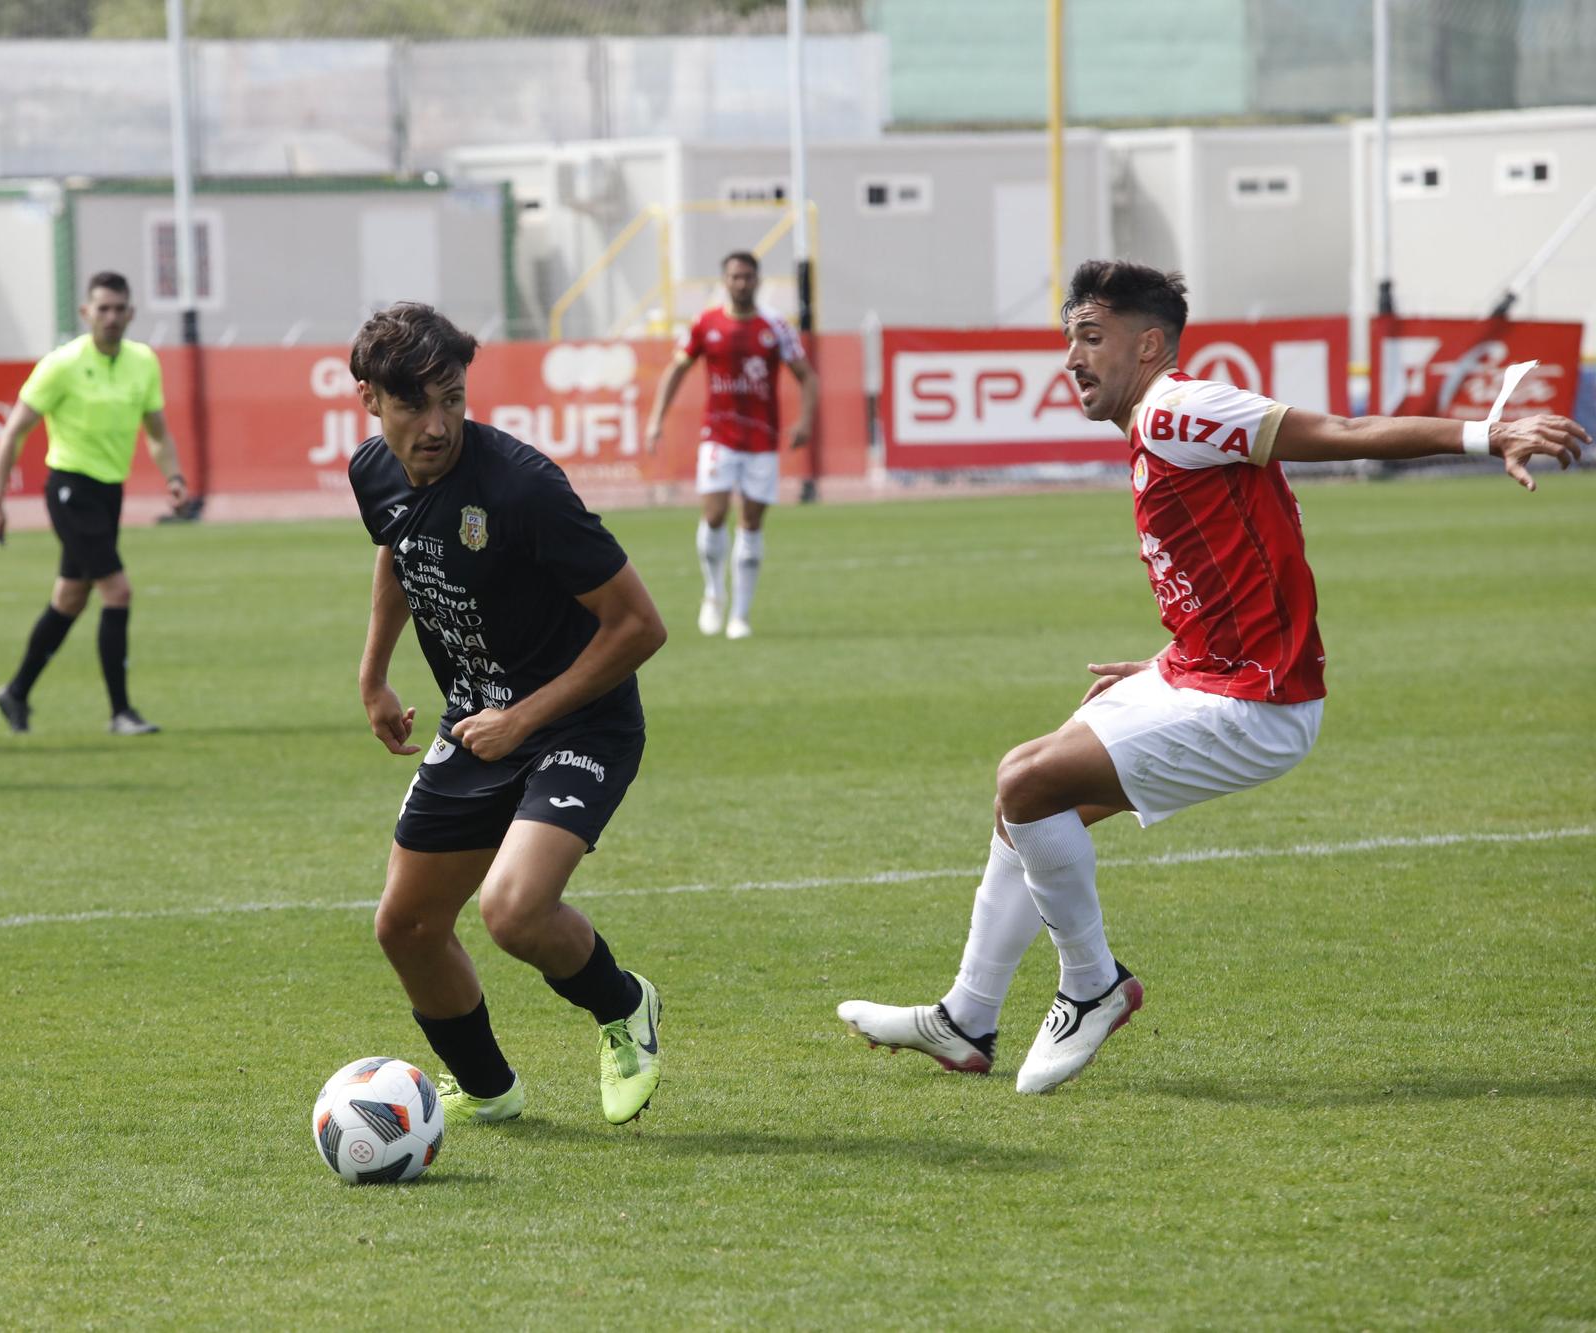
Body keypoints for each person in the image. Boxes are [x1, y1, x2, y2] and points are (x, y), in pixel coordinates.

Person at [837, 260, 1586, 1095]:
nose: (1072, 358)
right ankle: (967, 1017)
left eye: (1091, 336)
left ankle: (1093, 985)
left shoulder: (1178, 405)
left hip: (1258, 703)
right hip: (1202, 671)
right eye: (1067, 339)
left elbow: (1338, 430)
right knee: (1031, 810)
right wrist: (1163, 664)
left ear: (1148, 342)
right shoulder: (1161, 420)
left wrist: (1488, 434)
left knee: (1027, 777)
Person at [349, 301, 670, 1126]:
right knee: (407, 925)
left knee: (514, 909)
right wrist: (375, 673)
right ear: (369, 401)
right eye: (415, 404)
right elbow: (399, 546)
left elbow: (640, 625)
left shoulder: (523, 487)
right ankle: (489, 1088)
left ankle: (625, 1007)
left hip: (579, 721)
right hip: (478, 718)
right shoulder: (374, 472)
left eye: (451, 398)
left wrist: (524, 720)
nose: (437, 423)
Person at [0, 271, 189, 736]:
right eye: (103, 308)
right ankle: (121, 713)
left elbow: (156, 431)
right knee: (118, 591)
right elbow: (14, 431)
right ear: (86, 312)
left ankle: (15, 693)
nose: (111, 317)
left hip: (108, 492)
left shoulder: (142, 362)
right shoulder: (62, 364)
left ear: (131, 313)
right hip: (70, 489)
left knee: (70, 598)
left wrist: (173, 476)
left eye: (119, 309)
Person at [644, 250, 818, 640]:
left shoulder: (775, 326)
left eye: (747, 276)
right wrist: (656, 419)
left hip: (761, 440)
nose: (741, 283)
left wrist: (805, 420)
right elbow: (677, 369)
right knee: (715, 514)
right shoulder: (706, 323)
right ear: (725, 281)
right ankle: (713, 593)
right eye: (735, 277)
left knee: (752, 523)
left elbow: (807, 375)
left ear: (758, 280)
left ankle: (740, 614)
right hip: (719, 437)